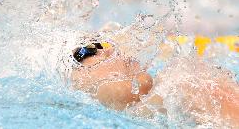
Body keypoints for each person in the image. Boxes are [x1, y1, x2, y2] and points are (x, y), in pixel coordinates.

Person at [70, 41, 239, 127]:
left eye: (99, 44)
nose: (110, 50)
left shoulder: (174, 83)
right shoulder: (176, 87)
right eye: (86, 50)